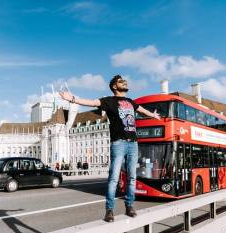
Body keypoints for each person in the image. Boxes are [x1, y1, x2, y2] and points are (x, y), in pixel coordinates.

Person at [60, 74, 160, 222]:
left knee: (132, 177)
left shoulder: (130, 102)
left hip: (133, 143)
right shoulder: (109, 101)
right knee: (114, 178)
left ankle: (129, 205)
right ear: (114, 87)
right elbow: (92, 102)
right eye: (121, 81)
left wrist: (153, 115)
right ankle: (109, 209)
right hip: (118, 143)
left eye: (125, 81)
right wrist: (73, 99)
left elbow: (141, 110)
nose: (125, 82)